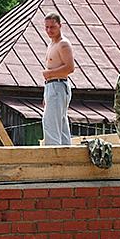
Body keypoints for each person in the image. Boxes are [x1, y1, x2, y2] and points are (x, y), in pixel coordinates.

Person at [42, 12, 75, 146]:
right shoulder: (52, 44)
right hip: (52, 86)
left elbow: (70, 67)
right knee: (60, 125)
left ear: (60, 26)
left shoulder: (63, 44)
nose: (49, 30)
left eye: (53, 27)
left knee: (51, 126)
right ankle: (65, 156)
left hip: (58, 85)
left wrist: (49, 73)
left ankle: (53, 158)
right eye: (47, 27)